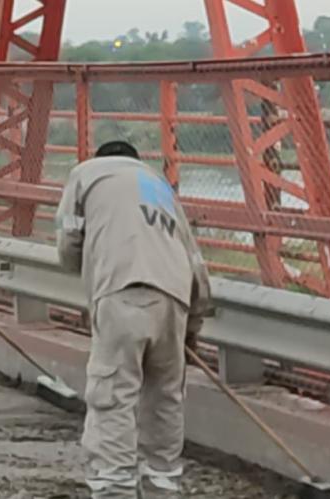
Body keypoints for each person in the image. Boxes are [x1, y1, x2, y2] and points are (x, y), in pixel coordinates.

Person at [55, 141, 212, 498]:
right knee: (165, 395)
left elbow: (68, 247)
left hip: (123, 290)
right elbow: (196, 265)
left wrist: (94, 266)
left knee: (113, 395)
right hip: (175, 297)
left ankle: (114, 488)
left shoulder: (85, 174)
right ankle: (162, 484)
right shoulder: (160, 187)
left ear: (102, 159)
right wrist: (191, 330)